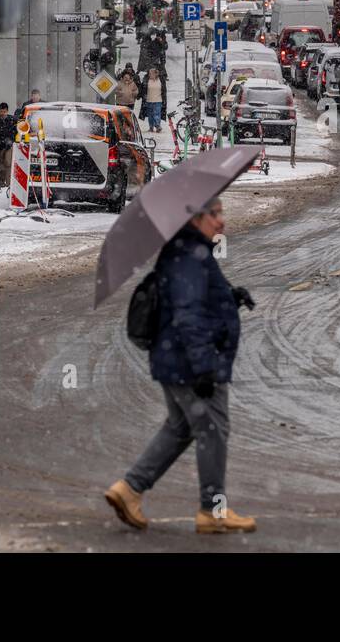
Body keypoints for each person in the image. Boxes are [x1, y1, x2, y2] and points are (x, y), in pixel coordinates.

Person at [105, 198, 257, 535]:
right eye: (214, 214)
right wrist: (204, 368)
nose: (221, 222)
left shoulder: (188, 250)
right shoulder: (189, 255)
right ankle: (213, 511)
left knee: (181, 427)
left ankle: (129, 490)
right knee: (213, 430)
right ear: (194, 219)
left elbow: (195, 302)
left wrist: (229, 299)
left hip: (174, 358)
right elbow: (188, 317)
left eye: (221, 213)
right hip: (191, 364)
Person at [0, 102, 16, 188]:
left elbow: (15, 131)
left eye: (4, 111)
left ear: (7, 111)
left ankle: (8, 184)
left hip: (8, 146)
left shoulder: (12, 120)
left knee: (8, 163)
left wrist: (11, 141)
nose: (2, 113)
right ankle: (0, 182)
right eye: (1, 111)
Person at [139, 67, 164, 133]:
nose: (149, 74)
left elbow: (164, 90)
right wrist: (140, 95)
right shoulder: (146, 80)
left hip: (158, 100)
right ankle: (151, 127)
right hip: (148, 100)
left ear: (155, 74)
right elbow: (142, 88)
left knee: (156, 114)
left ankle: (157, 125)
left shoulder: (160, 80)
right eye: (149, 73)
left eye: (151, 73)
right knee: (150, 115)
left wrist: (164, 98)